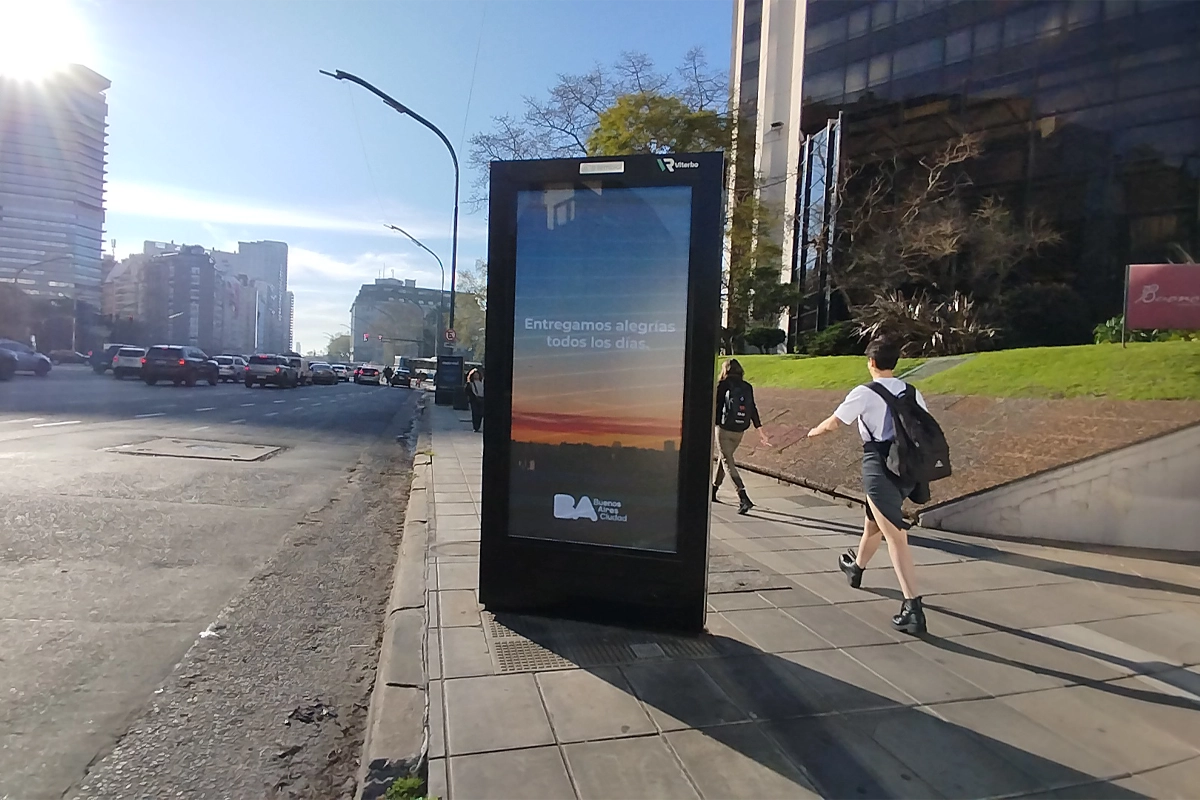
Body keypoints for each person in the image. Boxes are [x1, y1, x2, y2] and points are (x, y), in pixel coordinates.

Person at [805, 336, 929, 634]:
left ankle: (913, 608)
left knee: (896, 537)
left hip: (880, 467)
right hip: (907, 467)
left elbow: (835, 422)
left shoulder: (865, 392)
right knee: (873, 524)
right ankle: (856, 568)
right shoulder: (912, 391)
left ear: (871, 362)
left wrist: (813, 432)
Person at [713, 358, 770, 515]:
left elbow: (716, 406)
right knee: (725, 457)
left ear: (725, 370)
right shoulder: (747, 386)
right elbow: (752, 408)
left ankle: (742, 496)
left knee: (727, 461)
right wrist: (760, 431)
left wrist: (713, 424)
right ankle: (714, 489)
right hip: (739, 429)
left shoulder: (722, 384)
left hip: (724, 429)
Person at [465, 368, 484, 433]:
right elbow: (467, 391)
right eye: (475, 375)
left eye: (477, 375)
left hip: (482, 399)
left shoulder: (482, 382)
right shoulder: (471, 384)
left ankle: (478, 426)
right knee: (475, 413)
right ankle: (475, 427)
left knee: (480, 414)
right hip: (474, 400)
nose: (476, 376)